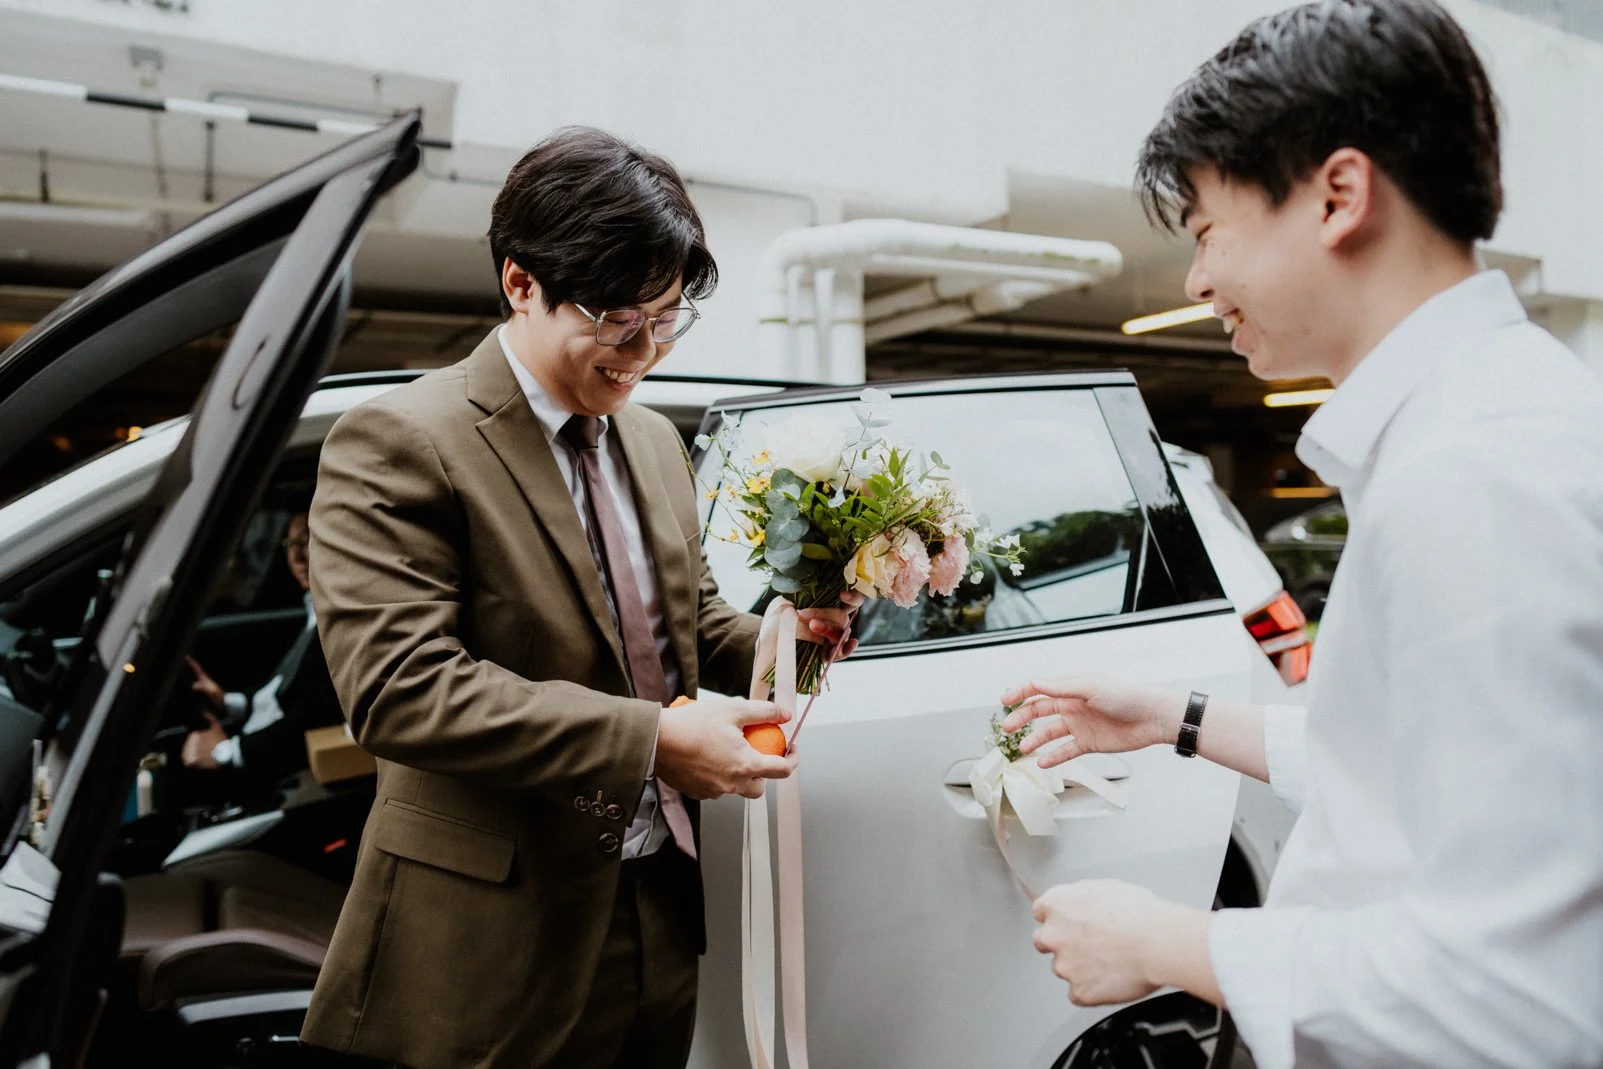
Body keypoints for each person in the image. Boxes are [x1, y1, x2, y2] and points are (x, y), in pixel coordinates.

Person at [1003, 2, 1603, 1066]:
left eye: (1204, 231)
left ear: (1336, 195)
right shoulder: (1482, 431)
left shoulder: (1474, 476)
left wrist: (1173, 942)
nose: (1194, 282)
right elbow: (1396, 765)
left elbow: (1521, 996)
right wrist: (1172, 716)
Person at [299, 127, 854, 1069]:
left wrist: (794, 639)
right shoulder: (399, 438)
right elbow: (401, 689)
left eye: (666, 318)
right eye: (616, 320)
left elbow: (687, 628)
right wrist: (649, 741)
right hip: (486, 944)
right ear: (521, 283)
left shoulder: (650, 443)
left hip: (655, 915)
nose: (642, 351)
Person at [181, 511, 343, 787]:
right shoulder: (313, 613)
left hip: (272, 771)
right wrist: (229, 701)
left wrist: (228, 752)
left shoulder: (338, 621)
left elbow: (313, 716)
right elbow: (283, 689)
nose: (297, 557)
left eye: (307, 540)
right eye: (290, 545)